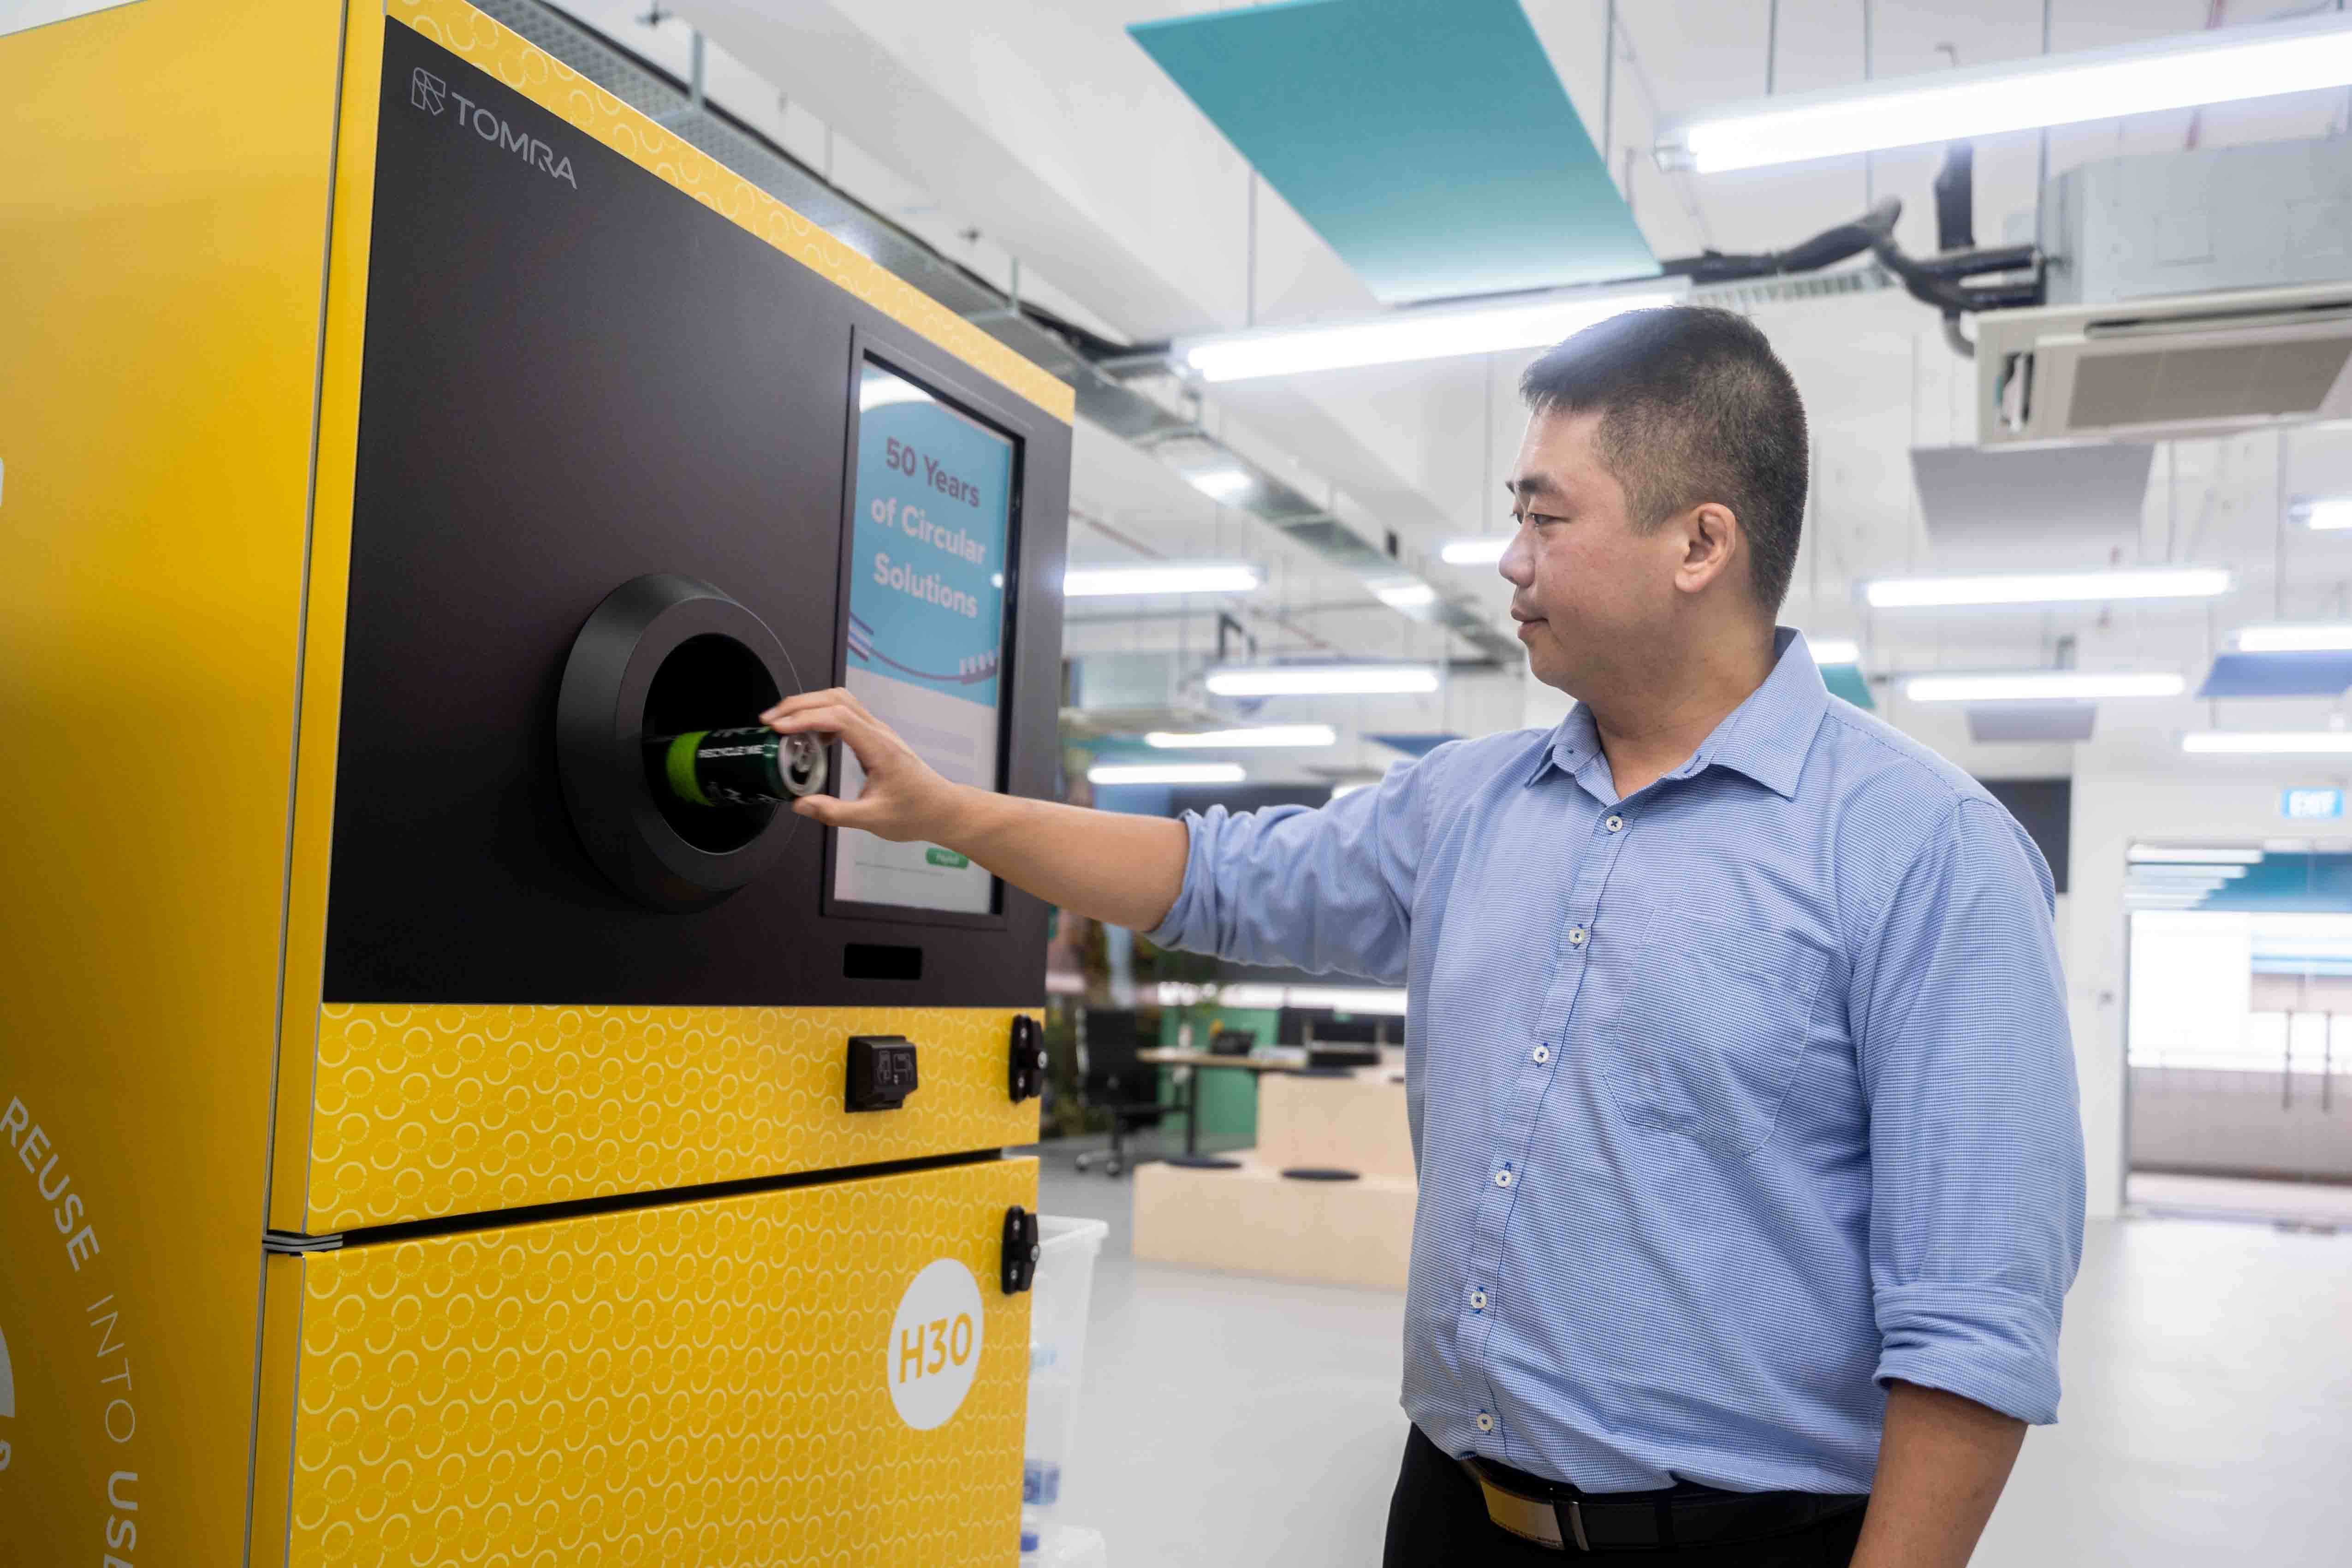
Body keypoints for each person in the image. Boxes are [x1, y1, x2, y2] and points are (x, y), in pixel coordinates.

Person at [765, 306, 2085, 1568]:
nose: (1509, 559)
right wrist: (952, 815)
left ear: (1699, 545)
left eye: (1542, 517)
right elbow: (1216, 879)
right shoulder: (1465, 805)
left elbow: (1972, 1321)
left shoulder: (1924, 851)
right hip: (1448, 1515)